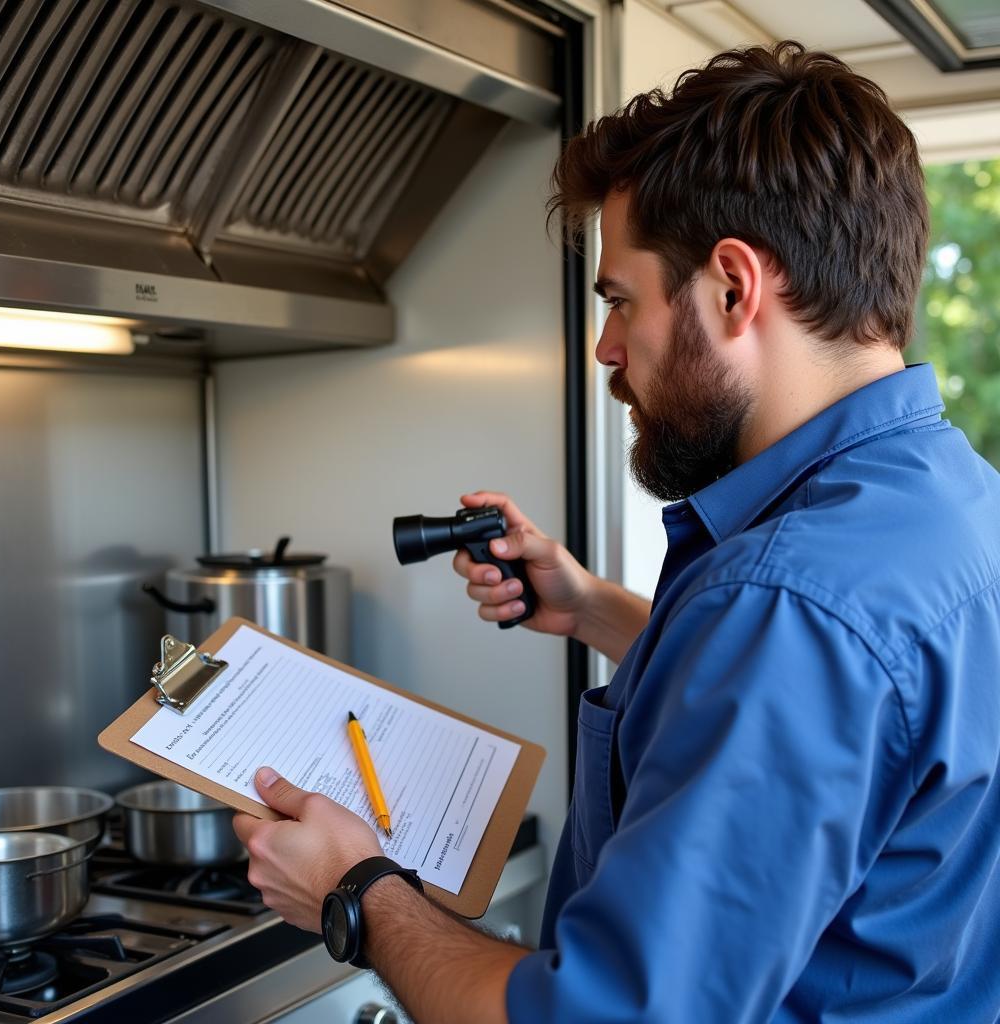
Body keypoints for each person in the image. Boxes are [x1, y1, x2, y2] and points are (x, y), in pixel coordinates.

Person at [232, 41, 1000, 1022]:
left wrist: (357, 890)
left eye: (618, 300)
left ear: (733, 287)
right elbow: (857, 731)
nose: (604, 347)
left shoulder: (787, 604)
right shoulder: (953, 501)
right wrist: (593, 607)